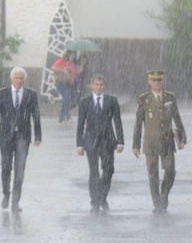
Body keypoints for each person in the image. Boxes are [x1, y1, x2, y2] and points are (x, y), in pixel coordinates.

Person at [0, 66, 42, 213]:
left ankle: (15, 201)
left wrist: (38, 136)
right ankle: (6, 193)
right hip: (5, 135)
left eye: (21, 78)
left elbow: (36, 116)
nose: (19, 81)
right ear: (11, 79)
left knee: (20, 169)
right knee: (6, 166)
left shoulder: (31, 94)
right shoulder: (2, 93)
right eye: (16, 78)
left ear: (24, 79)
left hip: (23, 136)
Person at [133, 70, 186, 214]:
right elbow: (138, 123)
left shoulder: (170, 97)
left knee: (170, 171)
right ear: (149, 81)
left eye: (159, 80)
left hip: (167, 141)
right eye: (154, 80)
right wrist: (136, 145)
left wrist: (182, 138)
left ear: (163, 81)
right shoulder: (144, 99)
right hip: (150, 142)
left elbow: (177, 118)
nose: (157, 83)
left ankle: (164, 195)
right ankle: (157, 203)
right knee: (153, 174)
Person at [76, 75, 124, 213]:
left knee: (108, 169)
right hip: (90, 140)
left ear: (104, 86)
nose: (99, 87)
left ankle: (102, 196)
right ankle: (95, 201)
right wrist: (79, 144)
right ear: (91, 85)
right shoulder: (85, 102)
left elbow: (117, 121)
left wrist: (120, 140)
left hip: (108, 140)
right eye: (96, 84)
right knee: (93, 171)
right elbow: (80, 124)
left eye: (101, 85)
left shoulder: (112, 101)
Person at [52, 51, 77, 123]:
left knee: (65, 99)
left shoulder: (70, 64)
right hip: (60, 83)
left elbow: (74, 73)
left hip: (67, 83)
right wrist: (63, 70)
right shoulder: (61, 61)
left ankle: (61, 118)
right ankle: (67, 116)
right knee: (66, 98)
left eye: (73, 56)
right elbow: (53, 67)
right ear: (67, 56)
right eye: (71, 55)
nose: (72, 57)